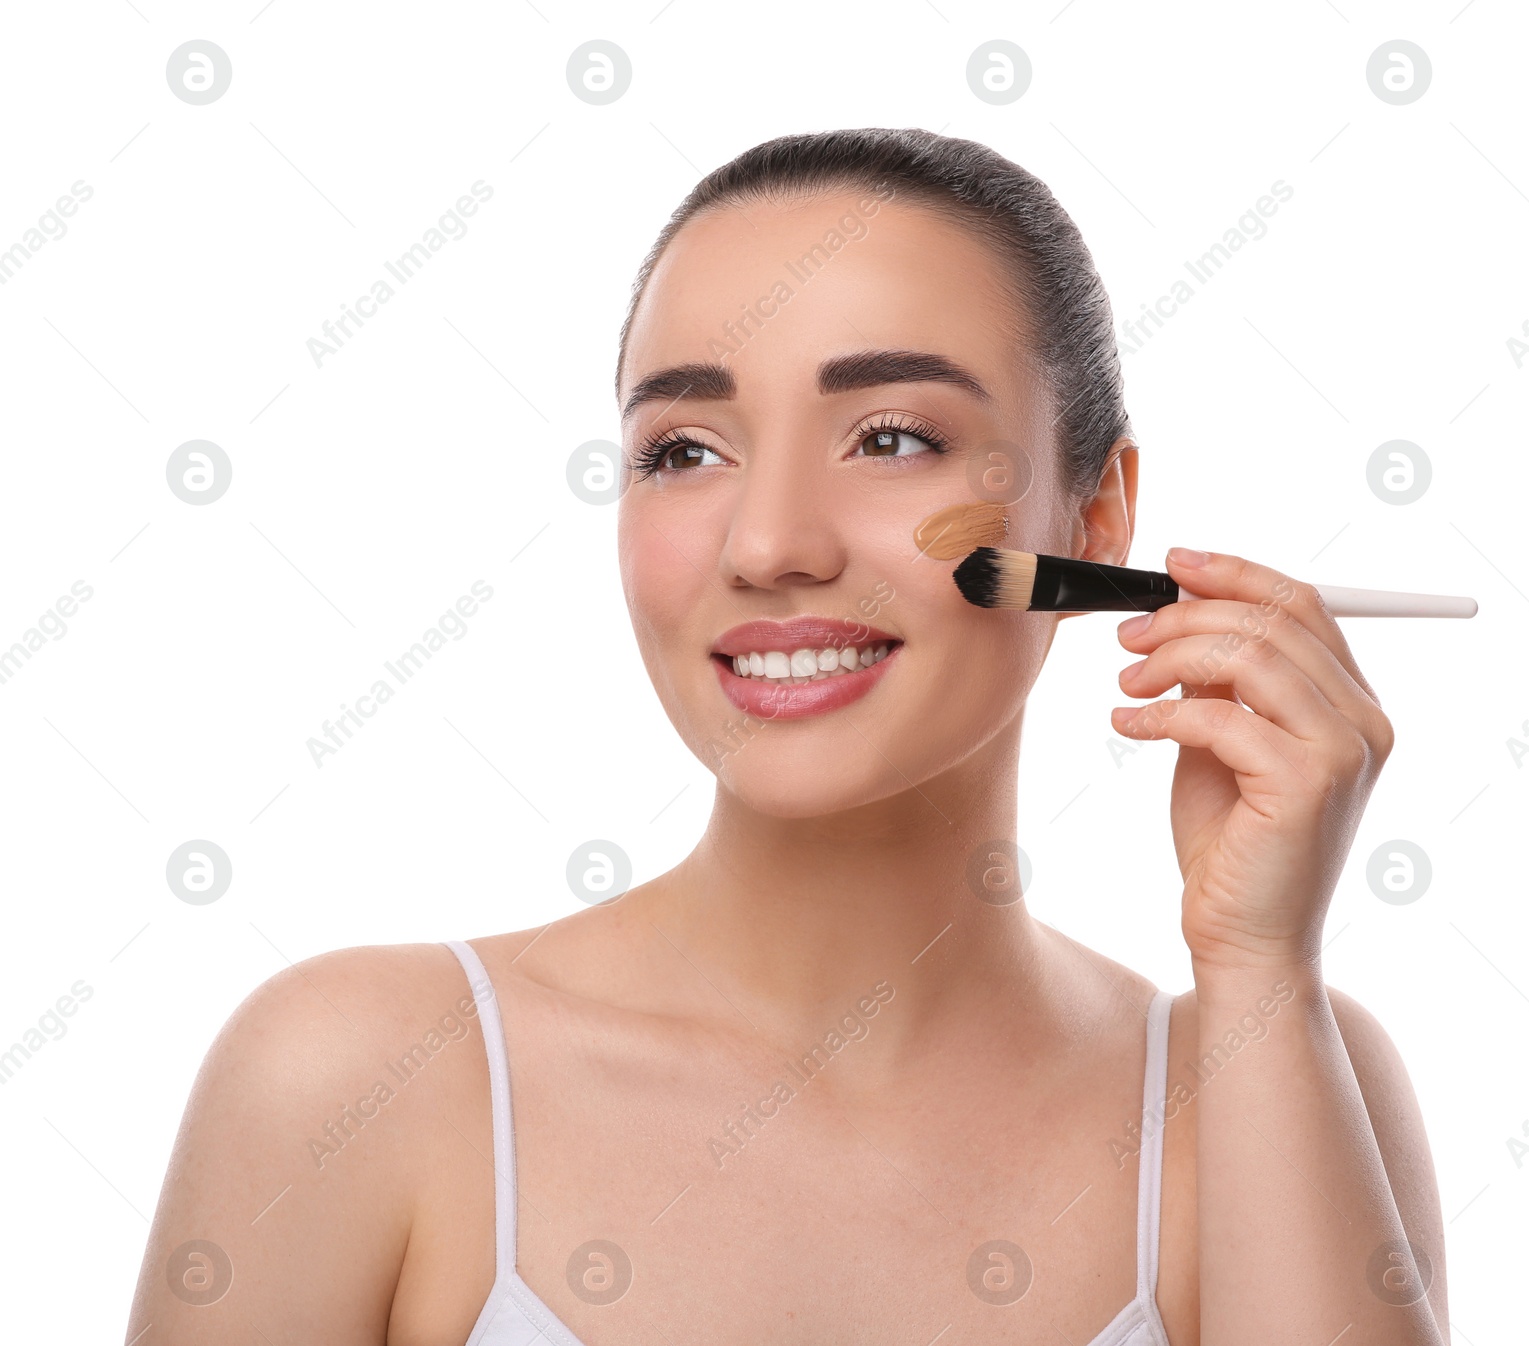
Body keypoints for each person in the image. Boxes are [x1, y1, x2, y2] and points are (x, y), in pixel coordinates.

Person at [128, 127, 1446, 1346]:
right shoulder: (356, 1078)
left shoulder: (1263, 1077)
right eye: (684, 450)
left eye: (890, 436)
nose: (768, 545)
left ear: (1095, 521)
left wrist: (1261, 965)